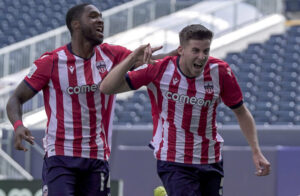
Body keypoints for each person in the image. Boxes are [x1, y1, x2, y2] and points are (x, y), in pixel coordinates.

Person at [6, 3, 166, 196]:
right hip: (60, 156)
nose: (100, 20)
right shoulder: (51, 62)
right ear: (76, 25)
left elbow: (152, 63)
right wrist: (17, 125)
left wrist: (176, 57)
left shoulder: (113, 54)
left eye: (100, 17)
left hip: (96, 157)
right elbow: (16, 98)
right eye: (93, 16)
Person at [100, 24, 271, 196]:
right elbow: (107, 87)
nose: (201, 57)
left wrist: (256, 152)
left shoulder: (220, 71)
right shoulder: (159, 68)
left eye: (206, 51)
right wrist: (131, 59)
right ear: (181, 50)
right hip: (174, 159)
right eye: (195, 50)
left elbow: (241, 112)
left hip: (211, 158)